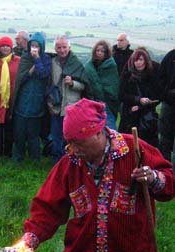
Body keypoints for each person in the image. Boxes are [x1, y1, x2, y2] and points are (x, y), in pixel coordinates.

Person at [12, 98, 174, 252]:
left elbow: (169, 183)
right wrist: (29, 240)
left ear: (99, 132)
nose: (74, 149)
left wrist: (152, 178)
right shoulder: (70, 163)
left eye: (79, 142)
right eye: (69, 143)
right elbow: (48, 207)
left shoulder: (134, 149)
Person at [48, 35, 93, 164]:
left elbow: (84, 86)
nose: (62, 50)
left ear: (69, 47)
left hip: (71, 107)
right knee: (56, 135)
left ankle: (70, 161)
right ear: (55, 48)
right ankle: (57, 162)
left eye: (64, 47)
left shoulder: (76, 64)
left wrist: (73, 83)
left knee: (70, 136)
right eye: (59, 47)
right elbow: (48, 84)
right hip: (55, 106)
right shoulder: (52, 62)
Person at [13, 32, 51, 161]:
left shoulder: (46, 59)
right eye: (32, 45)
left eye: (37, 46)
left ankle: (35, 158)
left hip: (37, 101)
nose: (34, 48)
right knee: (19, 132)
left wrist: (37, 59)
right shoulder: (25, 58)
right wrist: (29, 72)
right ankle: (18, 157)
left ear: (42, 47)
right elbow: (20, 79)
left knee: (33, 133)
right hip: (23, 101)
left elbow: (43, 75)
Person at [119, 48, 162, 147]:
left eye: (141, 60)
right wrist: (137, 100)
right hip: (129, 116)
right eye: (135, 60)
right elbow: (122, 95)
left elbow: (158, 96)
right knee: (128, 145)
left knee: (148, 147)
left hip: (147, 118)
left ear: (146, 61)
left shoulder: (153, 75)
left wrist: (141, 106)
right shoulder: (127, 74)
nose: (138, 62)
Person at [84, 40, 119, 130]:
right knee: (94, 131)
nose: (99, 53)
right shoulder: (88, 66)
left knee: (110, 130)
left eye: (102, 51)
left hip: (107, 104)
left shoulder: (111, 66)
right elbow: (85, 82)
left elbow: (113, 86)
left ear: (106, 53)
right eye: (97, 50)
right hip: (92, 102)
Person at [159, 48, 175, 172]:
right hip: (169, 105)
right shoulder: (170, 57)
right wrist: (168, 94)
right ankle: (166, 172)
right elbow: (160, 81)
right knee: (165, 141)